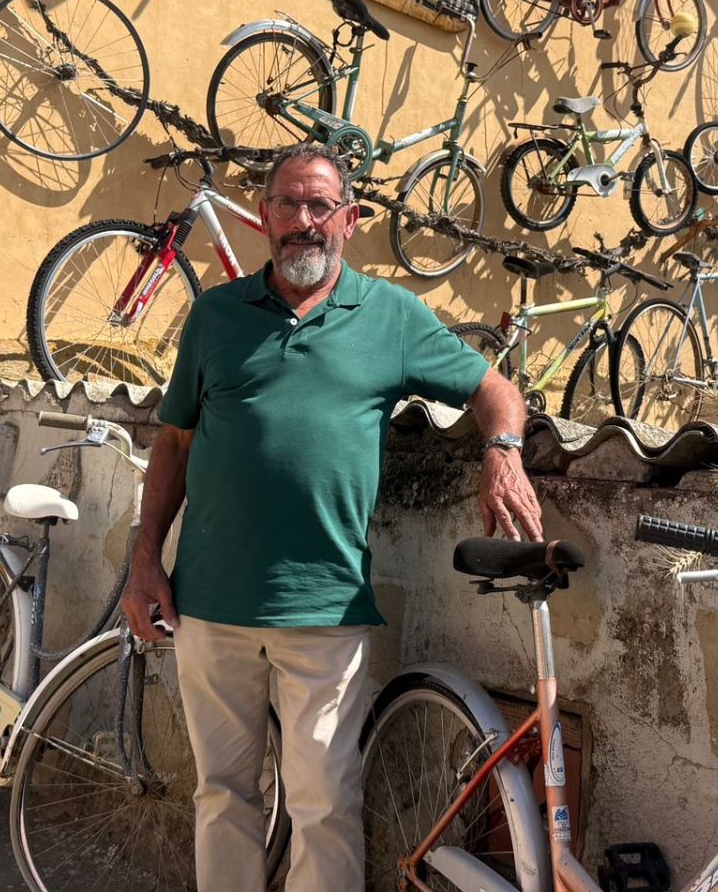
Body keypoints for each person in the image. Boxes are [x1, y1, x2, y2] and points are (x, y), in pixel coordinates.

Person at [119, 140, 542, 891]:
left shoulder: (391, 316)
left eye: (321, 206)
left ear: (349, 219)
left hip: (324, 607)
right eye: (288, 203)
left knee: (324, 805)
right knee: (223, 797)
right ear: (263, 216)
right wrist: (145, 558)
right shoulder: (216, 316)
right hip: (209, 604)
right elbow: (175, 441)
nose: (304, 221)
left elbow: (496, 390)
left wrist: (503, 452)